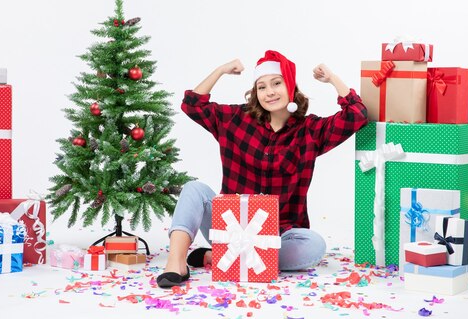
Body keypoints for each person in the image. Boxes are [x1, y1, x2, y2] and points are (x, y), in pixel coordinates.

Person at [156, 50, 368, 288]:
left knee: (314, 245)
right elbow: (192, 105)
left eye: (276, 83)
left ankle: (222, 258)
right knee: (194, 189)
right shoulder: (235, 120)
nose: (270, 92)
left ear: (290, 87)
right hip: (230, 229)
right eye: (262, 87)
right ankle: (176, 263)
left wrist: (332, 80)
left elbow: (357, 116)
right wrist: (221, 70)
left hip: (278, 236)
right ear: (256, 94)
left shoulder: (310, 131)